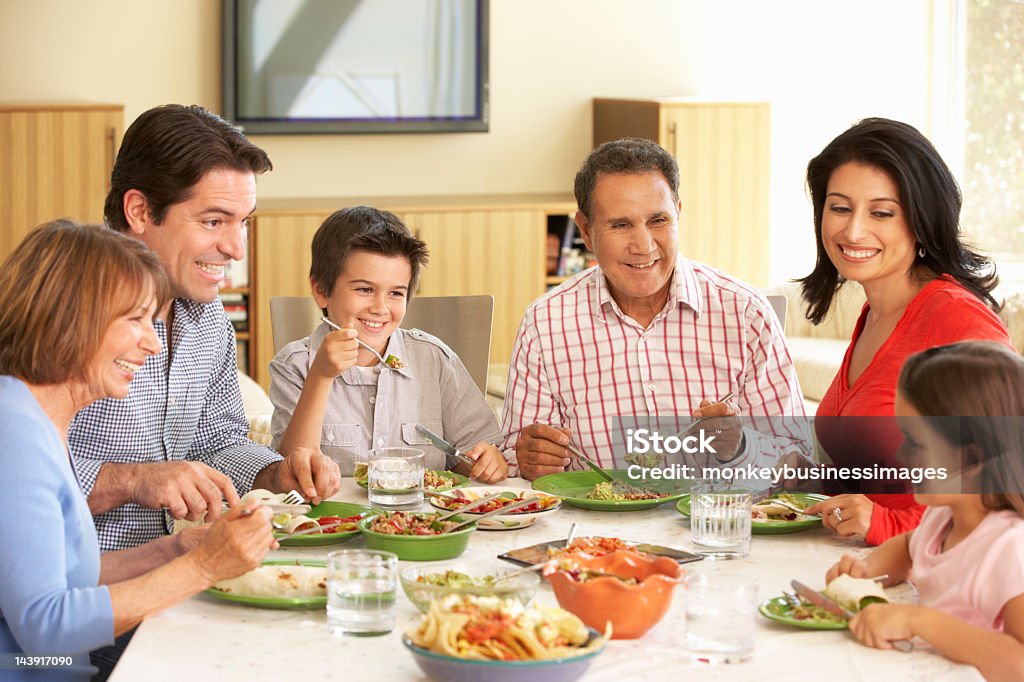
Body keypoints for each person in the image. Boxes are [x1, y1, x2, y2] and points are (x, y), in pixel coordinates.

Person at [0, 221, 276, 681]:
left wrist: (175, 550)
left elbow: (64, 578)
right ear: (69, 317)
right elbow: (45, 630)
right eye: (134, 321)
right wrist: (203, 567)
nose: (152, 342)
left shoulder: (36, 417)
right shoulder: (14, 431)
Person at [67, 104, 341, 552]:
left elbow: (217, 441)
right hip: (73, 586)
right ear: (139, 210)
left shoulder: (208, 318)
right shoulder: (58, 306)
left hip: (169, 570)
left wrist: (274, 472)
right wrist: (132, 480)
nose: (236, 248)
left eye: (243, 222)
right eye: (214, 221)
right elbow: (14, 470)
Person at [501, 137, 809, 480]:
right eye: (620, 225)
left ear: (678, 213)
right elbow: (517, 458)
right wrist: (528, 458)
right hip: (598, 530)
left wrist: (741, 447)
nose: (644, 246)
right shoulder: (545, 323)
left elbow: (798, 460)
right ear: (586, 231)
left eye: (658, 220)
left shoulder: (746, 313)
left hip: (716, 526)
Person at [797, 118, 1013, 545]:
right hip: (863, 565)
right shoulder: (874, 314)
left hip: (935, 587)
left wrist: (885, 524)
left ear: (922, 220)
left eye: (881, 212)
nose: (854, 230)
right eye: (840, 207)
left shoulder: (956, 320)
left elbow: (1005, 489)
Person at [826, 342, 1024, 680]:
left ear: (972, 459)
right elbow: (907, 549)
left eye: (915, 443)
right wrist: (866, 569)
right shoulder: (943, 517)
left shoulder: (1010, 549)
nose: (902, 454)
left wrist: (919, 621)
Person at [269, 206, 507, 482]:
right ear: (321, 290)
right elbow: (291, 475)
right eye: (364, 290)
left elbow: (475, 453)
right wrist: (321, 376)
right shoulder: (296, 364)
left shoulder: (433, 359)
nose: (380, 308)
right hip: (337, 522)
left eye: (395, 293)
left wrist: (486, 461)